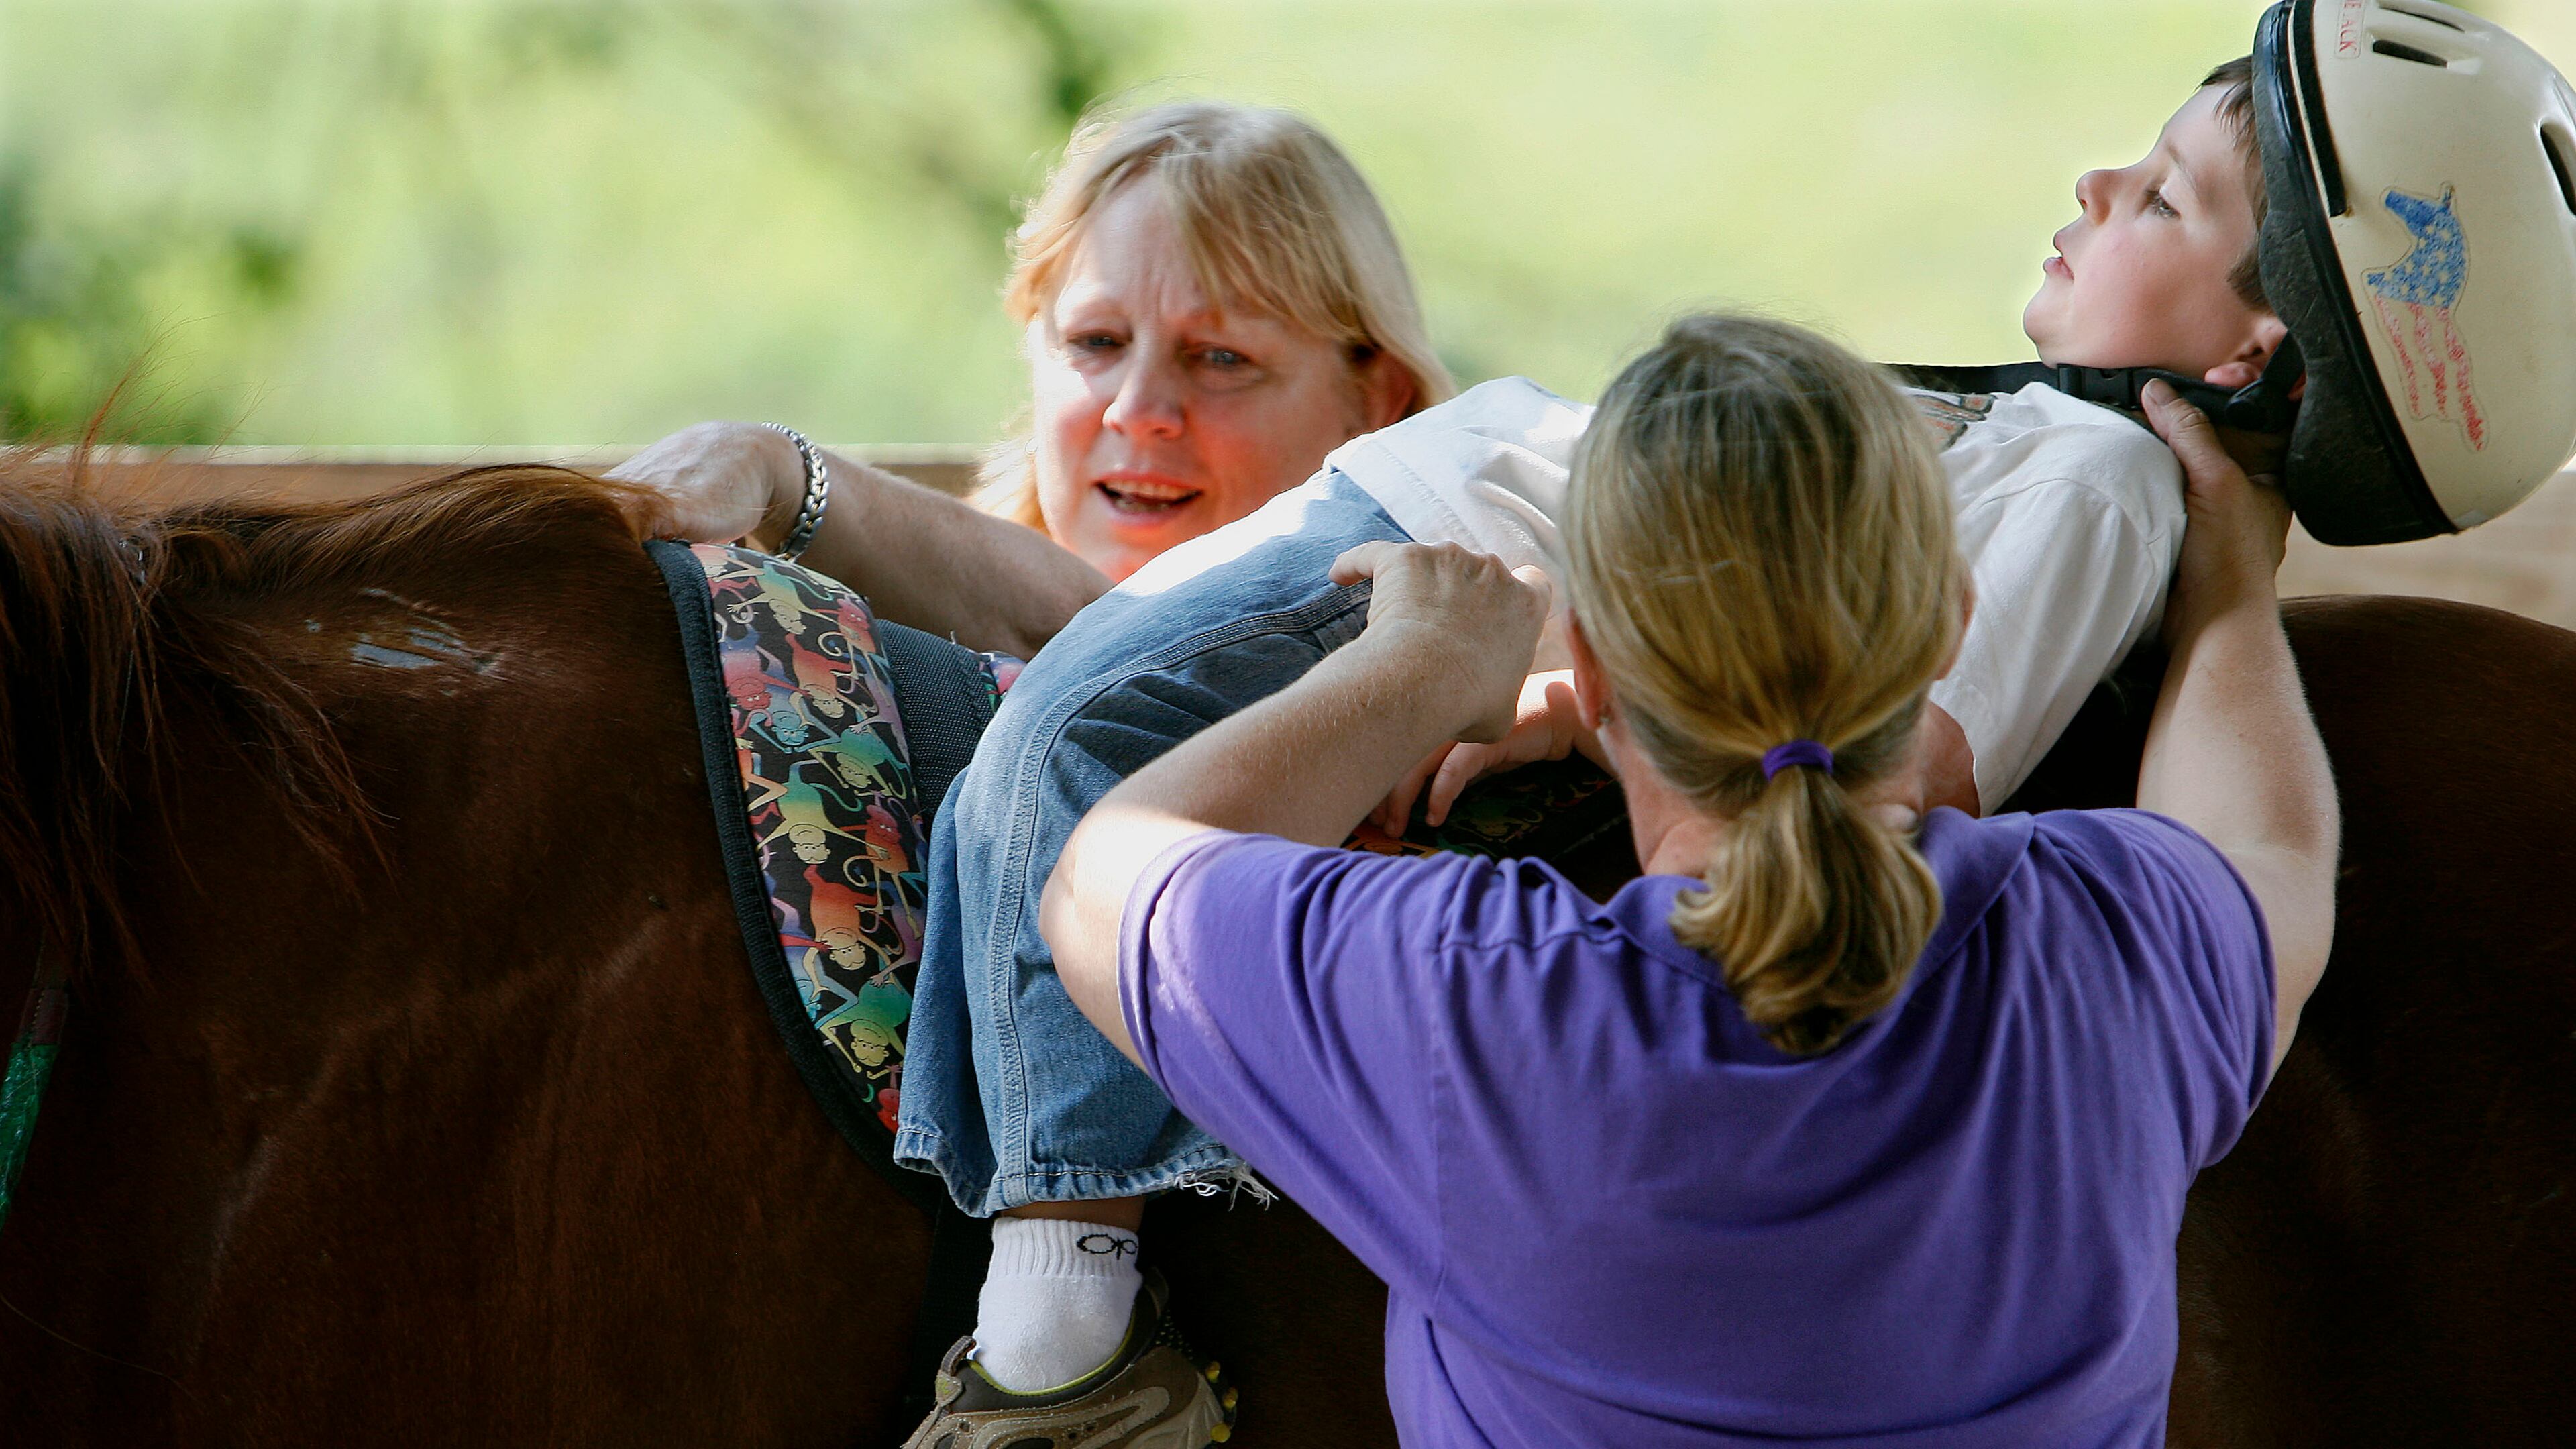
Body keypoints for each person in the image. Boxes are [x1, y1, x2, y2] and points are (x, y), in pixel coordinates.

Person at [895, 52, 2295, 1438]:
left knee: (1046, 749)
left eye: (2169, 198)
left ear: (1594, 666)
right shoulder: (2110, 953)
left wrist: (1422, 669)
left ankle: (1064, 1355)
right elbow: (2275, 852)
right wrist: (2233, 595)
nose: (2103, 185)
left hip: (1445, 547)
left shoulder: (1474, 998)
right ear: (1946, 619)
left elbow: (1095, 873)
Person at [611, 99, 1450, 661]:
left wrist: (776, 471)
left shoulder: (1450, 664)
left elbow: (1128, 646)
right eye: (1096, 340)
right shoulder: (888, 654)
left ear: (1376, 401)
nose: (1138, 409)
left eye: (1222, 358)